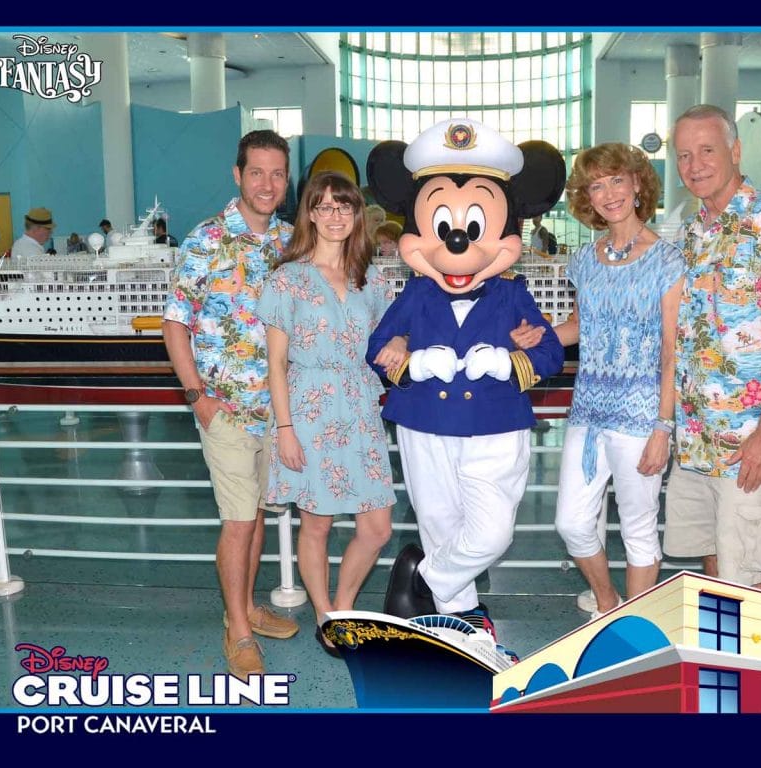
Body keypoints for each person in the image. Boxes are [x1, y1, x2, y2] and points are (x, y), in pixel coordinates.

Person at [365, 117, 566, 642]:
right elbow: (376, 350)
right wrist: (409, 362)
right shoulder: (415, 295)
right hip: (425, 423)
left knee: (491, 533)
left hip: (496, 425)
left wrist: (508, 363)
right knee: (439, 526)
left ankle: (423, 580)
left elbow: (549, 352)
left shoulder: (511, 294)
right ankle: (460, 620)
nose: (457, 242)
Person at [662, 104, 761, 592]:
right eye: (684, 155)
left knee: (751, 575)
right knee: (714, 565)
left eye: (707, 150)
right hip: (697, 440)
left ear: (735, 150)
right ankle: (720, 662)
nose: (695, 165)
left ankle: (759, 668)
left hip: (751, 439)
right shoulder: (694, 231)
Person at [162, 129, 300, 680]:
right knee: (239, 521)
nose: (267, 184)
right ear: (237, 175)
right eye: (257, 172)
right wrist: (197, 397)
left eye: (277, 174)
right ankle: (238, 630)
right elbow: (175, 324)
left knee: (259, 515)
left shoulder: (292, 240)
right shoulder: (207, 240)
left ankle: (244, 606)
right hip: (224, 406)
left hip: (277, 407)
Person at [256, 171, 395, 658]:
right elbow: (275, 362)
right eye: (325, 206)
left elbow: (389, 337)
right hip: (309, 409)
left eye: (345, 206)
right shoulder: (286, 279)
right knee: (316, 524)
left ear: (357, 214)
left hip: (359, 408)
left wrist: (399, 342)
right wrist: (286, 429)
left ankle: (343, 605)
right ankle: (325, 615)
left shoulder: (370, 279)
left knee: (377, 526)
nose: (335, 215)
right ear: (310, 214)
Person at [547, 143, 684, 620]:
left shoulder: (668, 261)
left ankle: (635, 629)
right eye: (596, 185)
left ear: (638, 184)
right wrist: (536, 333)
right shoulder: (585, 259)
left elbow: (673, 351)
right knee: (572, 523)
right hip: (588, 411)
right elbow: (579, 326)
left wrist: (663, 428)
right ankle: (607, 602)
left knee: (639, 529)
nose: (608, 194)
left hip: (641, 415)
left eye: (616, 181)